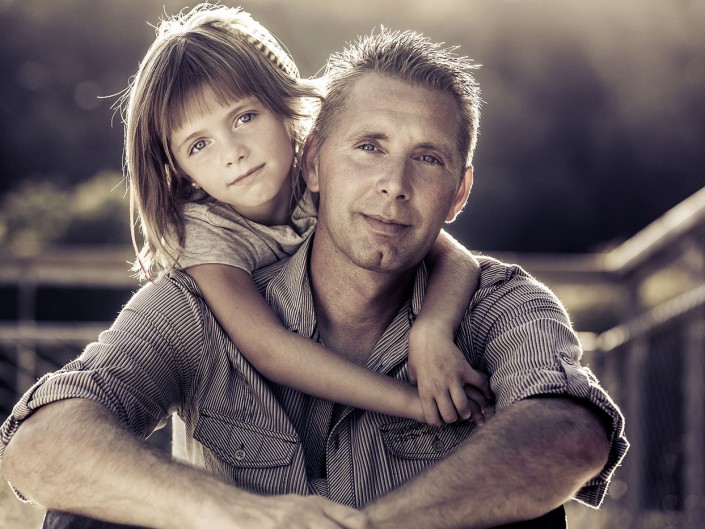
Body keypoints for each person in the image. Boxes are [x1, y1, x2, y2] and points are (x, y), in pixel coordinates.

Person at [0, 7, 629, 529]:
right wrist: (248, 516)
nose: (393, 185)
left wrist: (432, 332)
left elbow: (569, 432)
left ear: (461, 194)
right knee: (86, 505)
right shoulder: (203, 284)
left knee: (521, 490)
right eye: (369, 147)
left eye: (428, 159)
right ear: (317, 163)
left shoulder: (502, 302)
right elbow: (40, 444)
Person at [126, 4, 490, 427]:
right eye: (199, 145)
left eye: (244, 117)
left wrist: (431, 333)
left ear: (285, 107)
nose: (233, 153)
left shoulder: (326, 175)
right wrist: (414, 403)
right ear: (178, 168)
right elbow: (269, 349)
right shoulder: (204, 234)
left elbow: (455, 257)